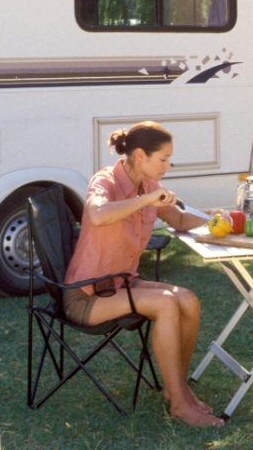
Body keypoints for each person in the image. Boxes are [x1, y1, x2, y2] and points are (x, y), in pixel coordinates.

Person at [65, 121, 225, 428]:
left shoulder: (149, 186)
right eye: (163, 159)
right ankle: (180, 404)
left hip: (121, 283)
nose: (168, 165)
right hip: (86, 295)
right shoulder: (106, 180)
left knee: (188, 300)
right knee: (165, 303)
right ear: (140, 155)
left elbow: (177, 218)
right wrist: (147, 200)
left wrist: (212, 217)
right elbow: (97, 215)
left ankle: (175, 386)